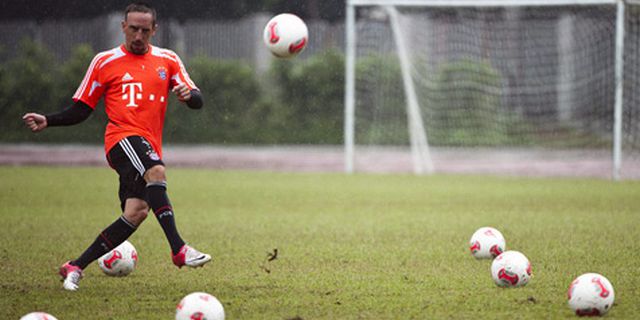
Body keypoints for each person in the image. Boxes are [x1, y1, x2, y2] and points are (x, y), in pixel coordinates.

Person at [22, 2, 211, 291]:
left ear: (154, 30)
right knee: (156, 172)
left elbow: (196, 99)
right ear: (123, 27)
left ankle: (74, 266)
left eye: (144, 30)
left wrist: (188, 95)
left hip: (148, 143)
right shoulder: (104, 61)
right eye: (133, 29)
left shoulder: (168, 59)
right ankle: (179, 249)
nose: (138, 36)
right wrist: (48, 120)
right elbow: (81, 109)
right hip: (121, 138)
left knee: (136, 211)